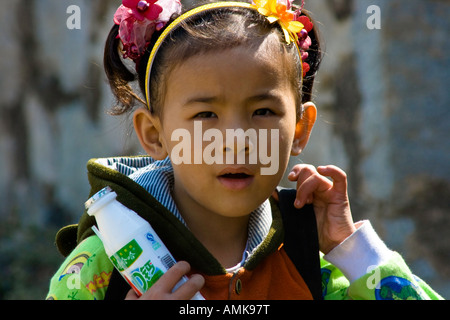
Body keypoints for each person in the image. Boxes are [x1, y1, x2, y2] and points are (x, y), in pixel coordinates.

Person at [46, 0, 443, 300]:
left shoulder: (312, 261)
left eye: (263, 110)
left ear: (301, 129)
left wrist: (352, 249)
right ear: (154, 134)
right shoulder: (110, 261)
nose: (236, 138)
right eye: (205, 115)